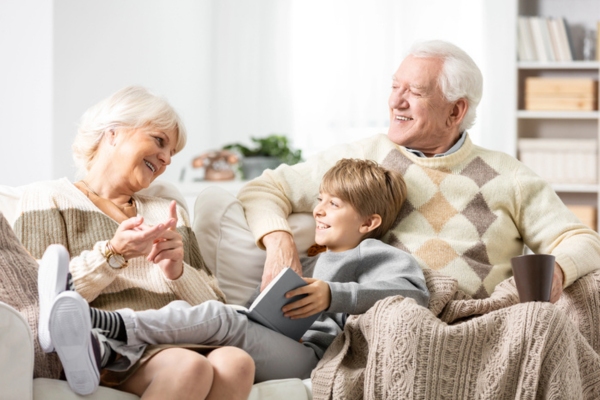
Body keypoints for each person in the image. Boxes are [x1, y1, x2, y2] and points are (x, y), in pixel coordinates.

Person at [238, 39, 600, 302]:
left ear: (456, 111)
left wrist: (561, 270)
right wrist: (279, 243)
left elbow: (582, 240)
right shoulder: (364, 159)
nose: (396, 100)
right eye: (395, 87)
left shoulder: (510, 177)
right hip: (390, 314)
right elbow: (263, 190)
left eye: (415, 92)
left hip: (480, 320)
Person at [38, 158, 430, 388]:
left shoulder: (377, 254)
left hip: (317, 358)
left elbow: (415, 296)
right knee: (222, 323)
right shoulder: (310, 262)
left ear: (368, 222)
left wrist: (334, 295)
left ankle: (95, 322)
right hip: (286, 345)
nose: (319, 211)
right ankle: (104, 348)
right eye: (320, 201)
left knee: (221, 318)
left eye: (335, 204)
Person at [15, 86, 255, 399]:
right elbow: (41, 298)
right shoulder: (47, 197)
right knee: (188, 367)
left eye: (172, 153)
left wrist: (178, 272)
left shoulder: (165, 210)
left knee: (237, 362)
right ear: (113, 133)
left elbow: (217, 310)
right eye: (159, 141)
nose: (167, 159)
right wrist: (112, 255)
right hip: (104, 343)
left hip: (177, 336)